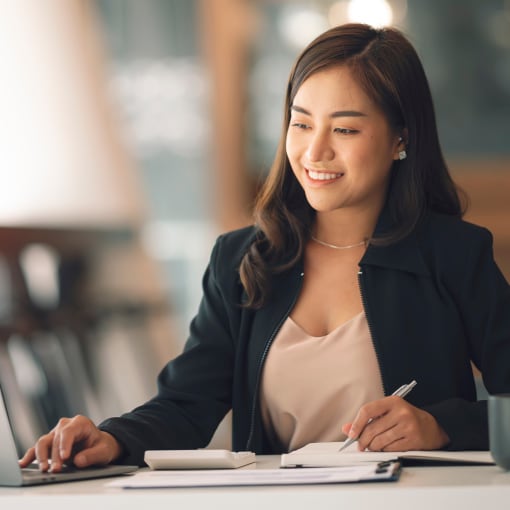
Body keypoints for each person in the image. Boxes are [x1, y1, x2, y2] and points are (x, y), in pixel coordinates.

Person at [21, 23, 510, 472]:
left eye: (344, 128)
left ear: (400, 138)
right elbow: (187, 403)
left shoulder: (454, 254)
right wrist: (110, 438)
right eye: (301, 124)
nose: (315, 151)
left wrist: (442, 427)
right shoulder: (241, 261)